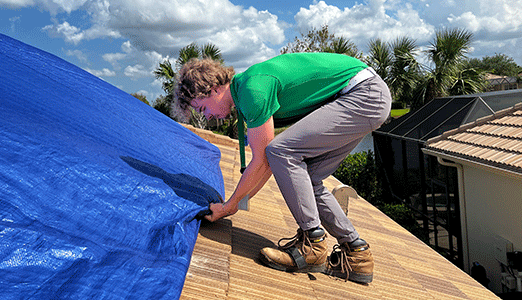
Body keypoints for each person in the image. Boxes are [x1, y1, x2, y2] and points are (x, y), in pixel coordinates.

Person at [175, 52, 391, 284]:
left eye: (202, 109)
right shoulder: (246, 90)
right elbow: (266, 166)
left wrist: (229, 207)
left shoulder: (252, 89)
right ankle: (357, 253)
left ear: (213, 89)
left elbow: (265, 160)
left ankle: (313, 245)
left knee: (281, 150)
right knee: (307, 178)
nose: (206, 117)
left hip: (363, 94)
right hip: (365, 96)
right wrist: (236, 204)